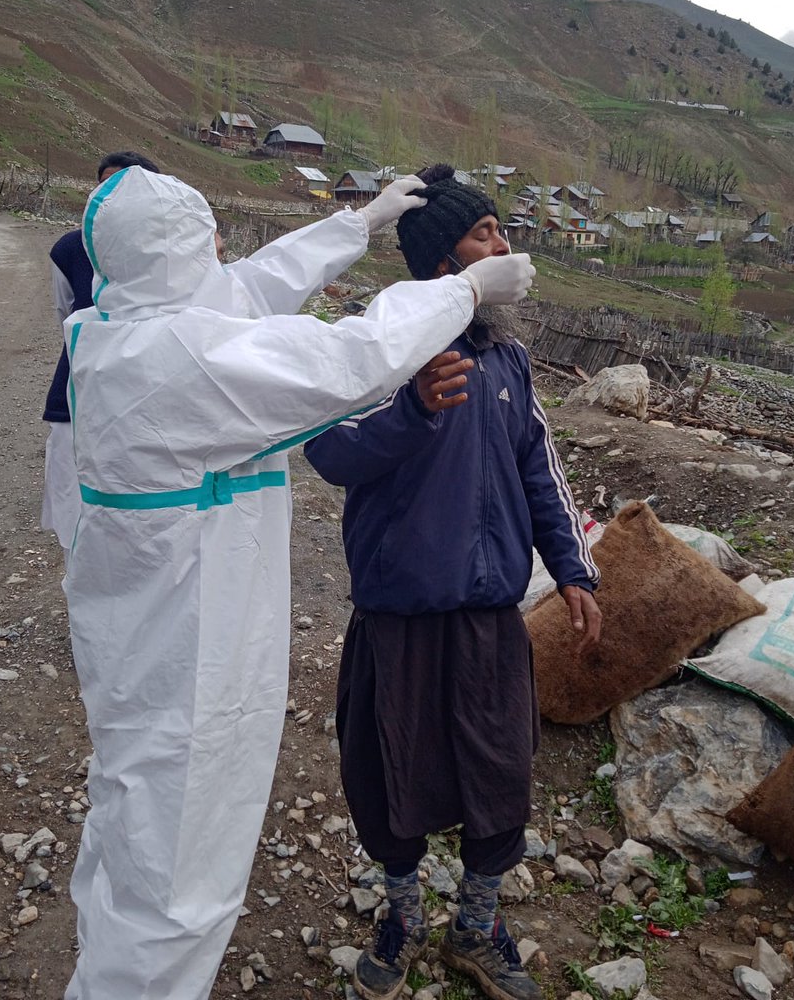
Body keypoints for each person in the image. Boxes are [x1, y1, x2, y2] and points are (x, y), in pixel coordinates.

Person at [61, 164, 535, 1000]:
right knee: (176, 875)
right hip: (189, 659)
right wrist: (464, 292)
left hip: (149, 645)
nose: (222, 250)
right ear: (177, 255)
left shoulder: (123, 323)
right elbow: (350, 359)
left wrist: (359, 225)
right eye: (207, 238)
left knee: (130, 823)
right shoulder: (184, 358)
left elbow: (252, 286)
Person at [305, 164, 602, 1000]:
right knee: (389, 773)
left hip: (489, 615)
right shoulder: (381, 345)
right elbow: (327, 448)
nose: (503, 246)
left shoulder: (507, 358)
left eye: (502, 230)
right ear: (444, 260)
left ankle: (475, 925)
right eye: (484, 234)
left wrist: (572, 567)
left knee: (500, 772)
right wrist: (412, 410)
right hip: (400, 612)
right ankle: (402, 918)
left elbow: (539, 468)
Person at [41, 151, 160, 562]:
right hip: (77, 398)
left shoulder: (172, 250)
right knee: (76, 512)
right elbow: (67, 316)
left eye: (124, 186)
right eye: (104, 185)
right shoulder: (70, 250)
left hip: (146, 402)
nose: (110, 196)